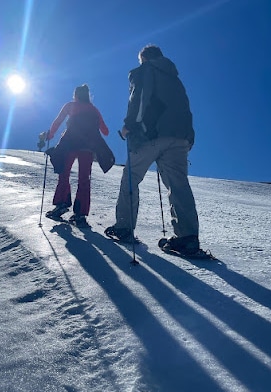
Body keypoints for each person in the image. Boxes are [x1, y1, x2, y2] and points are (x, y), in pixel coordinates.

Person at [105, 44, 201, 255]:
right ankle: (188, 238)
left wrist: (130, 125)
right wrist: (188, 138)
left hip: (151, 135)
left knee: (130, 177)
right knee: (178, 185)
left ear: (145, 58)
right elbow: (186, 109)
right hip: (180, 138)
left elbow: (138, 99)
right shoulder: (175, 79)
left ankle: (124, 227)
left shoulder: (145, 71)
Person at [42, 84, 114, 227]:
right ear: (88, 95)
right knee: (84, 179)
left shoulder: (70, 105)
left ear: (75, 94)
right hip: (87, 148)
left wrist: (50, 134)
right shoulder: (94, 110)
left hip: (69, 144)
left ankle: (61, 204)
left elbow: (58, 121)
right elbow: (105, 131)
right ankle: (80, 215)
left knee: (64, 173)